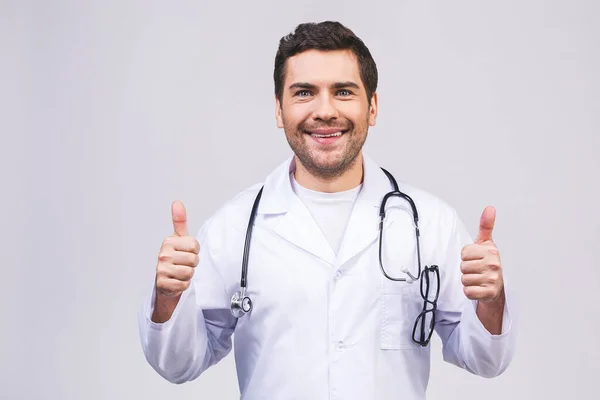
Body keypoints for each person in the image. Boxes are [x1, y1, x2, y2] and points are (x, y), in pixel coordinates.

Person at [138, 20, 516, 399]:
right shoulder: (234, 226)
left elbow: (485, 360)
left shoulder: (431, 223)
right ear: (278, 109)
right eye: (304, 92)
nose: (325, 110)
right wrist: (168, 297)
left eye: (343, 92)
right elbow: (177, 364)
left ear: (372, 107)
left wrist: (491, 300)